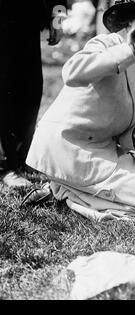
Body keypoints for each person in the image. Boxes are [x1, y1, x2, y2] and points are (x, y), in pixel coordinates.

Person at [24, 0, 135, 221]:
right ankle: (62, 192)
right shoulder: (107, 44)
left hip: (100, 148)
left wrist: (133, 136)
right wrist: (126, 50)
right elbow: (72, 72)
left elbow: (112, 117)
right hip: (70, 147)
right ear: (129, 20)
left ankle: (70, 186)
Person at [0, 0, 67, 188]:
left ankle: (24, 158)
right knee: (4, 91)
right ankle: (6, 165)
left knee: (30, 90)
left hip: (28, 21)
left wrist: (57, 22)